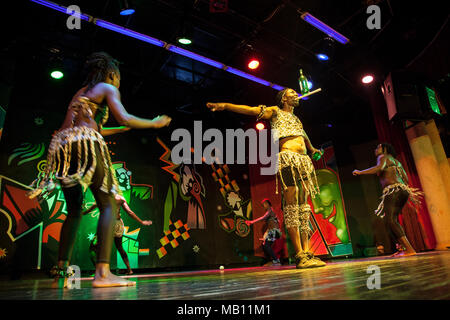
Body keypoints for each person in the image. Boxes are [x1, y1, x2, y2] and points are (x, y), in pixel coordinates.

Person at [27, 52, 171, 288]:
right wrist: (154, 123)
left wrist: (117, 131)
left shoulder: (80, 93)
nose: (118, 83)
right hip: (86, 145)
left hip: (63, 148)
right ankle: (103, 274)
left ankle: (60, 274)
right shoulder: (108, 87)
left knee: (74, 210)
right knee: (108, 204)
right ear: (112, 74)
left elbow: (81, 128)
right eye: (119, 78)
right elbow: (124, 118)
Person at [207, 88, 326, 268]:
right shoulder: (275, 111)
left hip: (304, 161)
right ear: (284, 98)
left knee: (304, 207)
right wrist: (225, 106)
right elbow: (251, 110)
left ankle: (308, 252)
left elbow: (303, 134)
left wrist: (312, 149)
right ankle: (300, 255)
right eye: (292, 92)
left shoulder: (296, 119)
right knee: (292, 206)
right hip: (287, 159)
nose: (295, 95)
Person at [353, 143, 423, 257]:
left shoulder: (383, 157)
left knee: (390, 220)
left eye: (378, 147)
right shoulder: (396, 161)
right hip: (402, 190)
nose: (375, 149)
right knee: (391, 220)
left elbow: (379, 168)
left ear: (385, 149)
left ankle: (409, 249)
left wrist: (360, 172)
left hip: (392, 190)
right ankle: (402, 248)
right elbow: (405, 178)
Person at [84, 193, 152, 275]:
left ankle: (100, 271)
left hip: (107, 224)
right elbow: (129, 212)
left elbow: (92, 208)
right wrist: (141, 222)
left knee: (94, 248)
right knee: (119, 247)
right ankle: (129, 269)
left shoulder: (102, 196)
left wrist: (81, 213)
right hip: (118, 224)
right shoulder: (120, 198)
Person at [245, 199, 282, 266]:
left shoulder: (270, 211)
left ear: (268, 204)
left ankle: (276, 260)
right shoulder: (270, 212)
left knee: (266, 245)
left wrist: (252, 222)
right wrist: (265, 236)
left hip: (274, 231)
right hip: (272, 231)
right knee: (265, 245)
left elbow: (263, 218)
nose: (264, 206)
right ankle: (274, 259)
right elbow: (270, 226)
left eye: (264, 204)